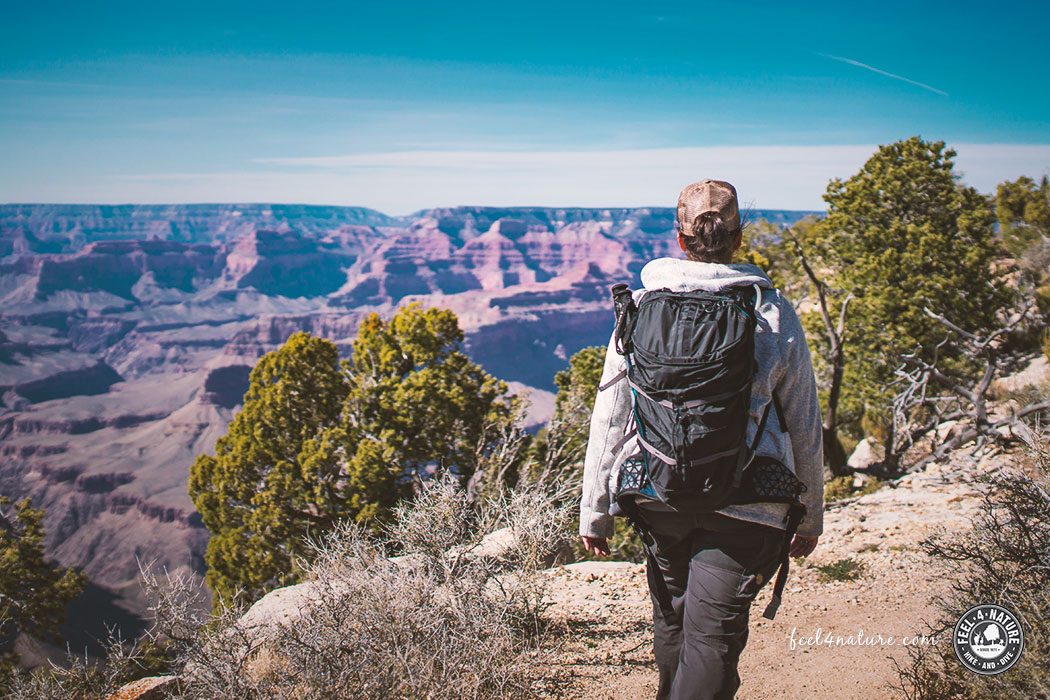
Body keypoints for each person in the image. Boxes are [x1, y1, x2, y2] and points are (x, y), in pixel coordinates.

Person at [578, 179, 825, 700]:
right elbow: (803, 421)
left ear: (679, 237)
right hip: (746, 501)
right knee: (711, 639)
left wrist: (594, 509)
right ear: (739, 238)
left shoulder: (641, 306)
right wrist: (809, 514)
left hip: (657, 492)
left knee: (673, 625)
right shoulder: (771, 313)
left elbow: (610, 414)